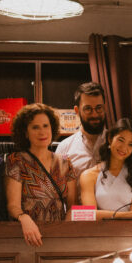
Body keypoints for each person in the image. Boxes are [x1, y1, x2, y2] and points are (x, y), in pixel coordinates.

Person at [5, 103, 78, 246]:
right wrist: (24, 219)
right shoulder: (16, 161)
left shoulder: (65, 162)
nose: (42, 132)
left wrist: (65, 230)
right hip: (28, 236)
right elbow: (12, 206)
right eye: (35, 127)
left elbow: (72, 206)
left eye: (46, 126)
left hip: (59, 236)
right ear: (25, 132)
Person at [79, 118, 132, 219]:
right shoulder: (88, 176)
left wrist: (102, 214)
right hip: (98, 232)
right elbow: (88, 216)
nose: (124, 148)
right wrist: (128, 215)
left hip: (131, 233)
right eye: (121, 140)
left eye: (130, 144)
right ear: (110, 138)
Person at [54, 81, 106, 175]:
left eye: (99, 108)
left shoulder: (118, 144)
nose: (94, 114)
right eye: (88, 109)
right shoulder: (64, 148)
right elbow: (58, 186)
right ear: (77, 111)